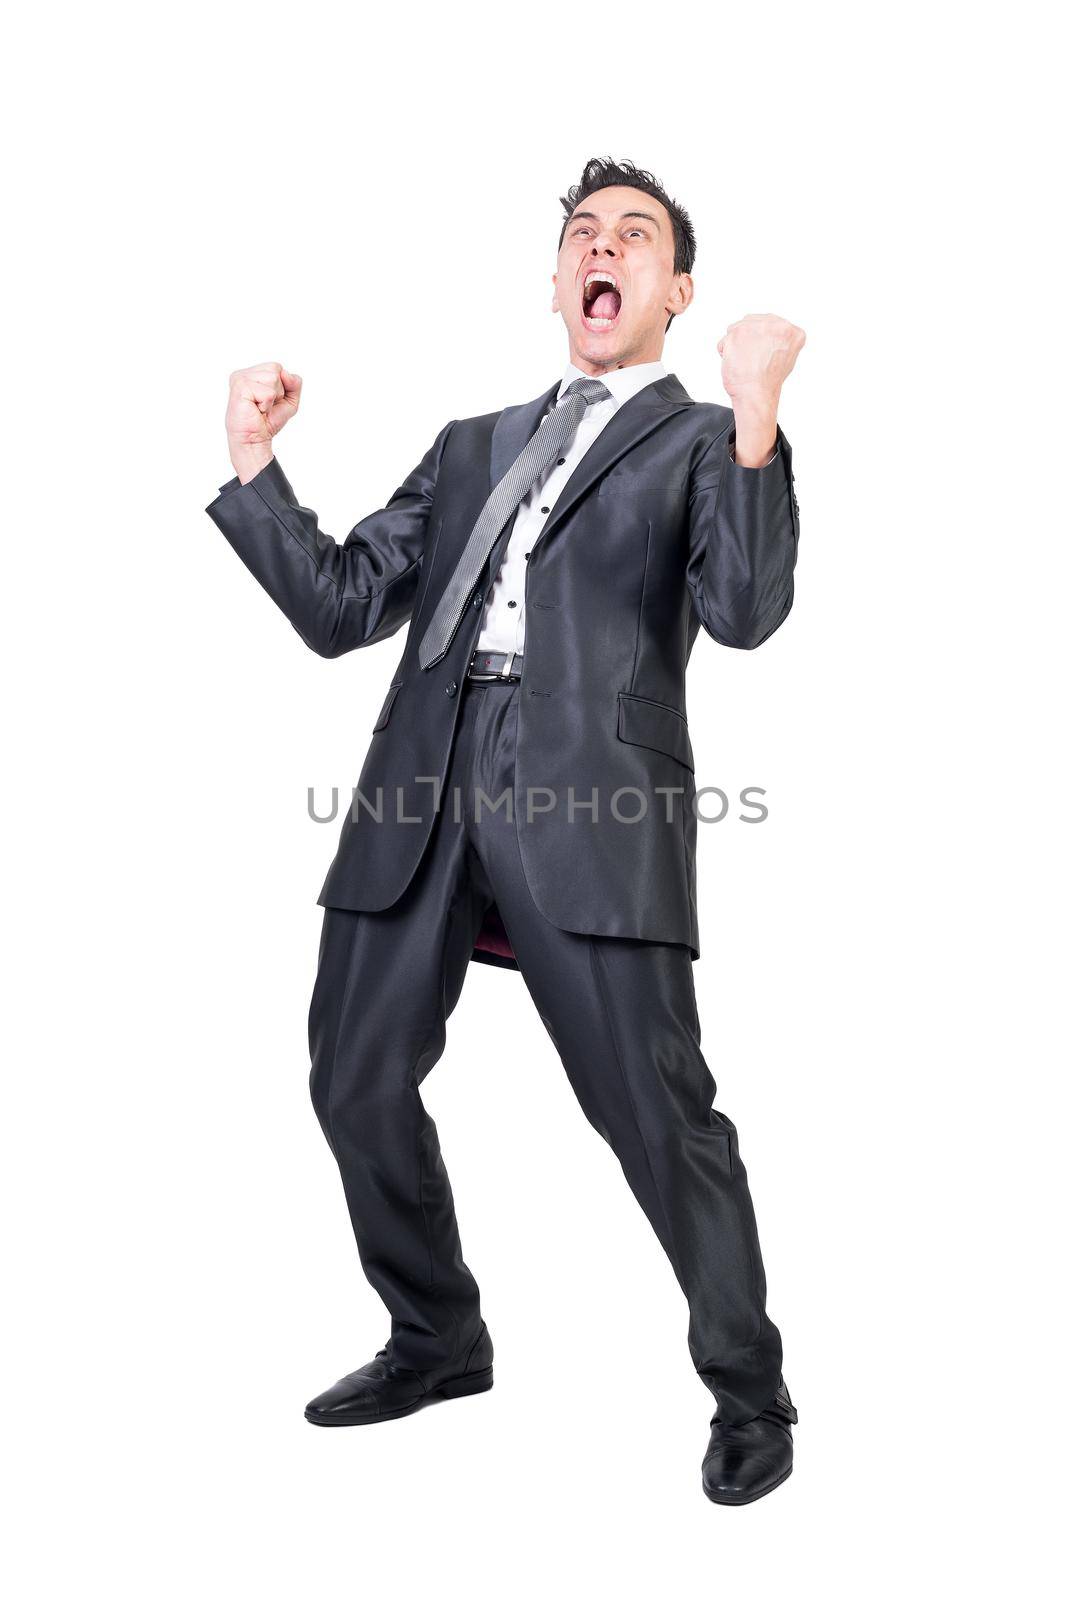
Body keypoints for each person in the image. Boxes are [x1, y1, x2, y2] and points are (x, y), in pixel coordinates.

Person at [205, 156, 805, 1505]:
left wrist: (758, 413)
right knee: (352, 1079)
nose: (604, 250)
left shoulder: (707, 439)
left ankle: (750, 1391)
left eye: (635, 238)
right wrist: (256, 467)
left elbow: (748, 609)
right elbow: (341, 605)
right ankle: (436, 1337)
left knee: (658, 1117)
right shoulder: (475, 442)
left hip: (591, 803)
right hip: (416, 787)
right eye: (582, 235)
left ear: (675, 291)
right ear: (556, 284)